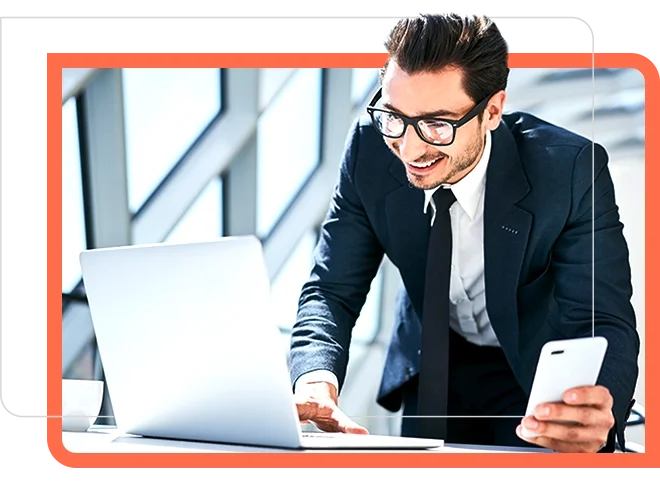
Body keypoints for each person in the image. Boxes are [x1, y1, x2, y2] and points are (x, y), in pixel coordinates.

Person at [288, 9, 640, 453]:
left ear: (491, 111)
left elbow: (602, 318)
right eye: (394, 116)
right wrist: (315, 380)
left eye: (436, 124)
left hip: (532, 372)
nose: (410, 148)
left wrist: (600, 407)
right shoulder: (370, 150)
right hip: (433, 361)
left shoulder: (568, 169)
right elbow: (331, 289)